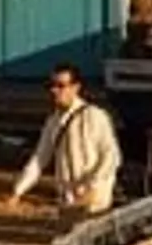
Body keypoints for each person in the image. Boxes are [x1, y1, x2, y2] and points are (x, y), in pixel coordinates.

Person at [24, 71, 122, 228]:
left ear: (76, 88)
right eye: (52, 86)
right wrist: (19, 189)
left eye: (61, 86)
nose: (54, 91)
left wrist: (94, 186)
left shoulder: (94, 116)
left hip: (94, 201)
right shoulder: (53, 121)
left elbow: (111, 156)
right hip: (68, 200)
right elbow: (40, 157)